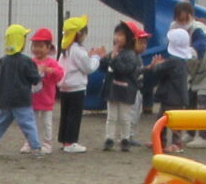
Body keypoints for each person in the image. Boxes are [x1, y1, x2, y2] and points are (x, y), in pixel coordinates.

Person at [0, 24, 44, 155]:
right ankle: (36, 148)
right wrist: (40, 73)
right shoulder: (27, 61)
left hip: (5, 99)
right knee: (28, 123)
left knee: (1, 123)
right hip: (21, 99)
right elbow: (35, 79)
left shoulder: (3, 60)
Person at [98, 23, 143, 153]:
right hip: (113, 89)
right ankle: (109, 138)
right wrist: (103, 59)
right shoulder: (115, 52)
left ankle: (125, 139)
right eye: (116, 34)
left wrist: (113, 59)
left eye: (121, 35)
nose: (117, 37)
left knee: (124, 117)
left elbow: (125, 70)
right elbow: (103, 67)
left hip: (126, 90)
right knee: (111, 116)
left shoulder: (131, 54)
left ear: (128, 37)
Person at [54, 16, 95, 150]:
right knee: (74, 116)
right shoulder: (78, 51)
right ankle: (71, 142)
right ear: (80, 34)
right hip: (76, 88)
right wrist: (96, 58)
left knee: (65, 115)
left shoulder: (65, 50)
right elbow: (88, 68)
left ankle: (64, 140)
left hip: (64, 87)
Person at [29, 27, 63, 154]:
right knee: (30, 122)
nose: (37, 49)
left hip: (47, 99)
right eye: (34, 46)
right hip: (32, 99)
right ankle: (30, 142)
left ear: (48, 48)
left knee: (46, 123)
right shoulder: (30, 62)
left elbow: (60, 74)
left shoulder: (51, 62)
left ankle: (47, 143)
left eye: (40, 46)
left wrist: (50, 71)